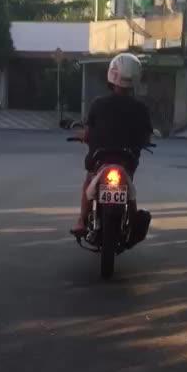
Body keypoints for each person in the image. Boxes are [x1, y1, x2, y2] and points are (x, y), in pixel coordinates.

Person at [71, 53, 153, 235]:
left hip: (99, 158)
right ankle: (132, 218)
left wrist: (84, 137)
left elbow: (88, 133)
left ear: (112, 74)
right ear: (136, 78)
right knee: (128, 184)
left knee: (89, 180)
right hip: (127, 159)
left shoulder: (98, 104)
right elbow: (147, 138)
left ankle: (81, 221)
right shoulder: (141, 109)